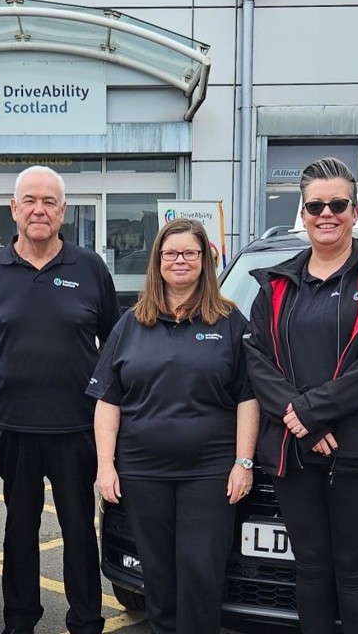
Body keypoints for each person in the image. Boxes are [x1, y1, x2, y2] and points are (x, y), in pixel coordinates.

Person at [244, 157, 358, 634]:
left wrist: (312, 411)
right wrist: (304, 420)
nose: (327, 213)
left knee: (355, 569)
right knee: (312, 567)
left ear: (355, 211)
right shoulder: (276, 283)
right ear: (302, 213)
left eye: (337, 204)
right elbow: (257, 359)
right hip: (294, 446)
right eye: (315, 205)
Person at [88, 218, 259, 633]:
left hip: (209, 471)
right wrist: (106, 466)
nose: (179, 260)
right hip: (143, 470)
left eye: (189, 253)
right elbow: (108, 400)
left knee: (201, 570)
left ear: (205, 261)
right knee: (158, 575)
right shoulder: (130, 324)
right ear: (158, 261)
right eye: (170, 253)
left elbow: (248, 397)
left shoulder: (231, 323)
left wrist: (244, 462)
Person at [0, 165, 119, 634]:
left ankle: (87, 620)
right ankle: (19, 621)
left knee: (77, 531)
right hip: (12, 426)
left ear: (63, 211)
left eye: (49, 201)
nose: (39, 209)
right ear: (13, 210)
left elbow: (114, 348)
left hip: (76, 426)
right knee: (19, 532)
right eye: (29, 200)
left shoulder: (90, 267)